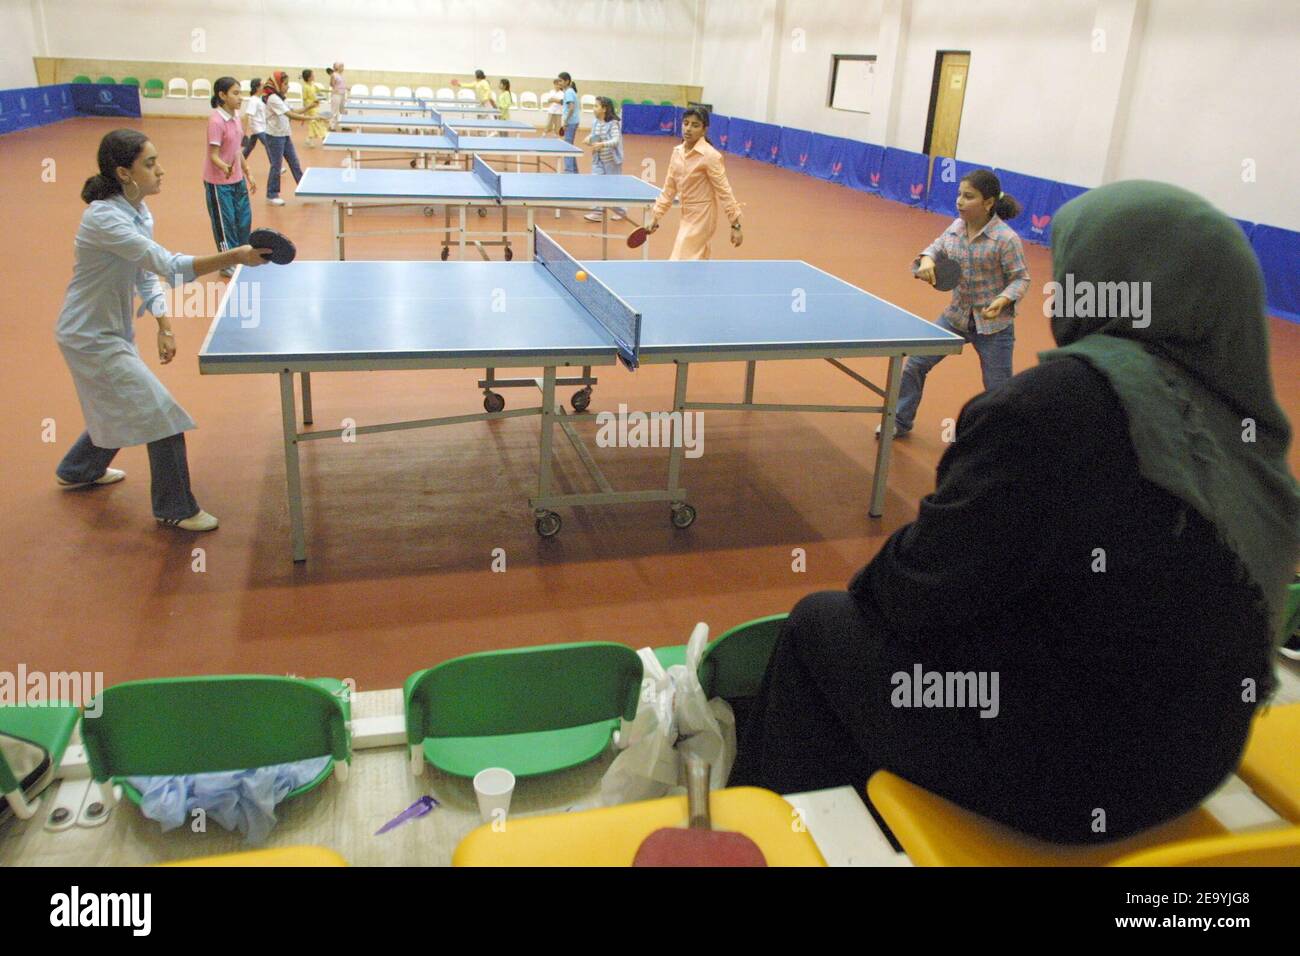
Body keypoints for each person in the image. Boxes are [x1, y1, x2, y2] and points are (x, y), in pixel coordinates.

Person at [728, 180, 1300, 846]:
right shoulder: (1241, 417)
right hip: (1197, 759)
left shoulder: (1052, 406)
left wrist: (873, 593)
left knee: (819, 627)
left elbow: (913, 592)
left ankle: (774, 839)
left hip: (1074, 779)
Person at [55, 130, 270, 532]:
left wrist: (164, 323)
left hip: (111, 331)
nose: (161, 170)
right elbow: (167, 264)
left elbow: (145, 274)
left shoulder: (138, 211)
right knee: (160, 413)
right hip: (88, 336)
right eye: (150, 164)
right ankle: (175, 506)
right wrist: (236, 255)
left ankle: (77, 468)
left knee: (122, 401)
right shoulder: (104, 218)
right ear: (124, 172)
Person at [885, 169, 1029, 439]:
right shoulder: (955, 228)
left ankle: (1001, 441)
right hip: (956, 318)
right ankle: (900, 421)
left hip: (994, 327)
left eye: (968, 196)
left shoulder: (1005, 239)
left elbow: (1021, 279)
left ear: (988, 203)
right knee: (915, 364)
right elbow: (930, 252)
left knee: (997, 388)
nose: (959, 201)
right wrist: (926, 261)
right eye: (959, 195)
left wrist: (1002, 299)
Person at [647, 107, 743, 259]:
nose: (688, 129)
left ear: (704, 129)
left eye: (695, 125)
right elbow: (669, 188)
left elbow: (724, 191)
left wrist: (735, 224)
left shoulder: (710, 156)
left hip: (703, 215)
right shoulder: (677, 152)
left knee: (679, 260)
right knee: (696, 260)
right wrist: (656, 216)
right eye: (686, 123)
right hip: (686, 213)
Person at [204, 77, 257, 277]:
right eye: (235, 93)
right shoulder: (216, 121)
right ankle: (226, 262)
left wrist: (248, 172)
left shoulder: (236, 118)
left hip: (236, 179)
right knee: (225, 224)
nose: (240, 97)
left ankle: (242, 256)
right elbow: (213, 155)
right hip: (218, 183)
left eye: (240, 93)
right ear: (222, 95)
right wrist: (224, 167)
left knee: (243, 220)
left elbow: (236, 150)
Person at [261, 71, 316, 205]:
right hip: (274, 136)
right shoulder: (273, 98)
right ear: (278, 84)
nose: (288, 87)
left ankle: (305, 190)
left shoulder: (280, 97)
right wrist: (311, 117)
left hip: (284, 134)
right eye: (285, 84)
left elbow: (293, 111)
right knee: (276, 165)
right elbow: (290, 115)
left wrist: (309, 106)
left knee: (295, 163)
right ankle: (271, 195)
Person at [583, 96, 625, 222]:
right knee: (596, 184)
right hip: (598, 159)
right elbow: (594, 135)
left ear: (604, 109)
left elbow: (616, 140)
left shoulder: (613, 124)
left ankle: (621, 211)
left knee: (613, 187)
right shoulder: (595, 122)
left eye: (596, 106)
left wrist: (603, 144)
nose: (593, 109)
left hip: (612, 160)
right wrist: (588, 138)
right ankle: (597, 212)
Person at [240, 75, 267, 162]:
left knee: (249, 147)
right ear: (257, 87)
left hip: (261, 127)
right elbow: (247, 115)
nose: (264, 87)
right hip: (258, 128)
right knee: (269, 145)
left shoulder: (259, 99)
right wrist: (244, 133)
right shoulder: (253, 100)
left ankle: (238, 162)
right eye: (262, 85)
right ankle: (277, 167)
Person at [558, 72, 580, 173]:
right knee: (570, 146)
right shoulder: (569, 91)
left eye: (561, 81)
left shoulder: (569, 92)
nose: (559, 83)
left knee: (567, 147)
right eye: (558, 81)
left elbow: (571, 108)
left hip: (570, 123)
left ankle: (569, 171)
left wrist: (565, 122)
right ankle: (574, 171)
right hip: (572, 122)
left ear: (567, 81)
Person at [300, 68, 327, 147]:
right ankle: (324, 137)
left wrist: (322, 97)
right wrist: (306, 109)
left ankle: (309, 139)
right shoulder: (305, 87)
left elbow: (319, 93)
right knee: (317, 121)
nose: (314, 76)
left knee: (313, 123)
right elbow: (304, 99)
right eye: (312, 75)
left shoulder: (313, 85)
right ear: (309, 77)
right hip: (310, 108)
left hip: (316, 106)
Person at [328, 61, 346, 130]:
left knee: (343, 110)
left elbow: (342, 84)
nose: (343, 68)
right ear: (337, 67)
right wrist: (335, 88)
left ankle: (344, 125)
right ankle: (332, 126)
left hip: (343, 94)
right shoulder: (334, 75)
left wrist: (346, 88)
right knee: (334, 111)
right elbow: (331, 84)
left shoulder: (342, 75)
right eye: (341, 66)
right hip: (336, 95)